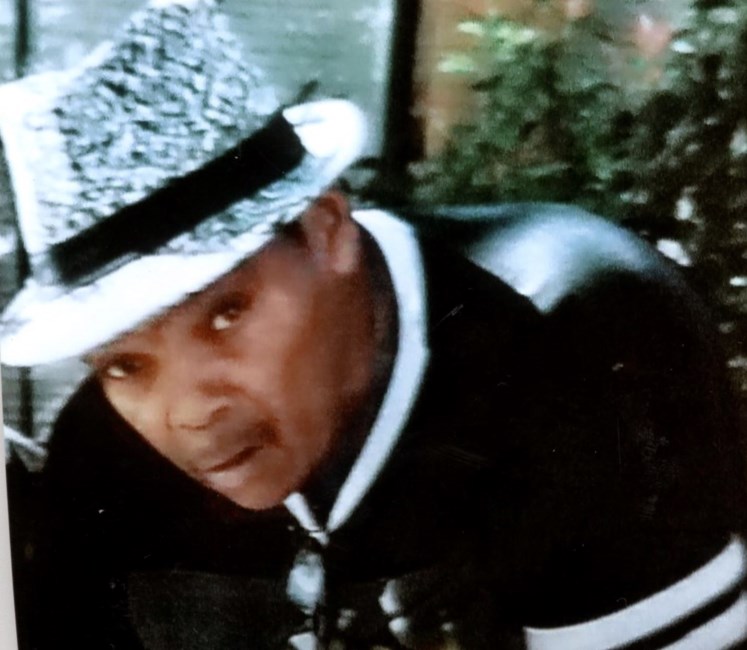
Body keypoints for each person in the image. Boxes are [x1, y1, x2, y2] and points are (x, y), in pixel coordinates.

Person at [1, 1, 746, 648]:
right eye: (125, 363)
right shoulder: (100, 456)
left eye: (226, 313)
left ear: (326, 228)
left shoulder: (572, 332)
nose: (191, 411)